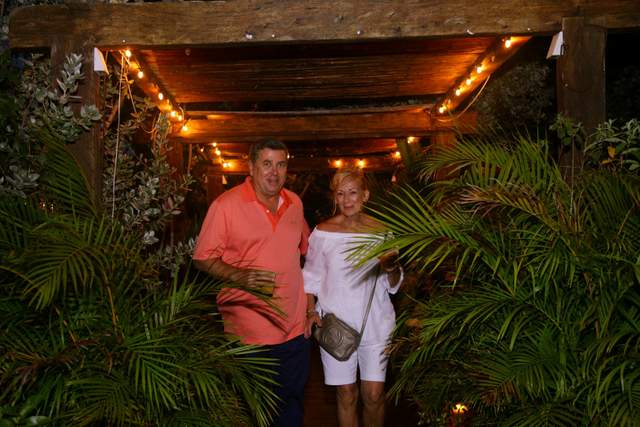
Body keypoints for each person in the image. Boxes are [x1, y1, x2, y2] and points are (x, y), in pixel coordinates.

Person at [192, 139, 310, 427]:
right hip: (249, 333)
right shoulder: (226, 205)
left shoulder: (295, 203)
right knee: (254, 413)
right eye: (267, 164)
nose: (274, 172)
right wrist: (239, 275)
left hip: (294, 330)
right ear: (251, 167)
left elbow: (308, 255)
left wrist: (310, 308)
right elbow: (202, 258)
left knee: (291, 408)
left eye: (281, 165)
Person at [303, 169, 402, 427]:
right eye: (340, 193)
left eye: (352, 192)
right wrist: (311, 311)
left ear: (365, 195)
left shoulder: (383, 232)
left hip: (376, 325)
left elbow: (393, 285)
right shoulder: (323, 233)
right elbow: (310, 277)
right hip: (336, 326)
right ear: (335, 197)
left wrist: (391, 268)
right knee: (346, 395)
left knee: (374, 395)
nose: (346, 200)